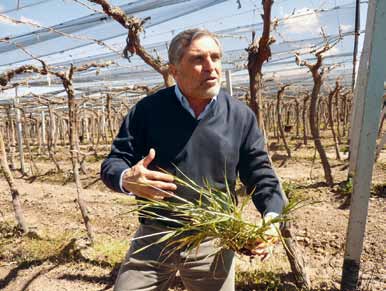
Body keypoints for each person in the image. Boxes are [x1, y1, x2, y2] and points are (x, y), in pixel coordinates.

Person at [101, 28, 285, 291]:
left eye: (216, 57)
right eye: (198, 59)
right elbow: (114, 162)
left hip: (213, 241)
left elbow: (261, 175)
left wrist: (272, 218)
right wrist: (126, 178)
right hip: (155, 234)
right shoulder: (147, 111)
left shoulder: (240, 117)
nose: (211, 67)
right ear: (174, 71)